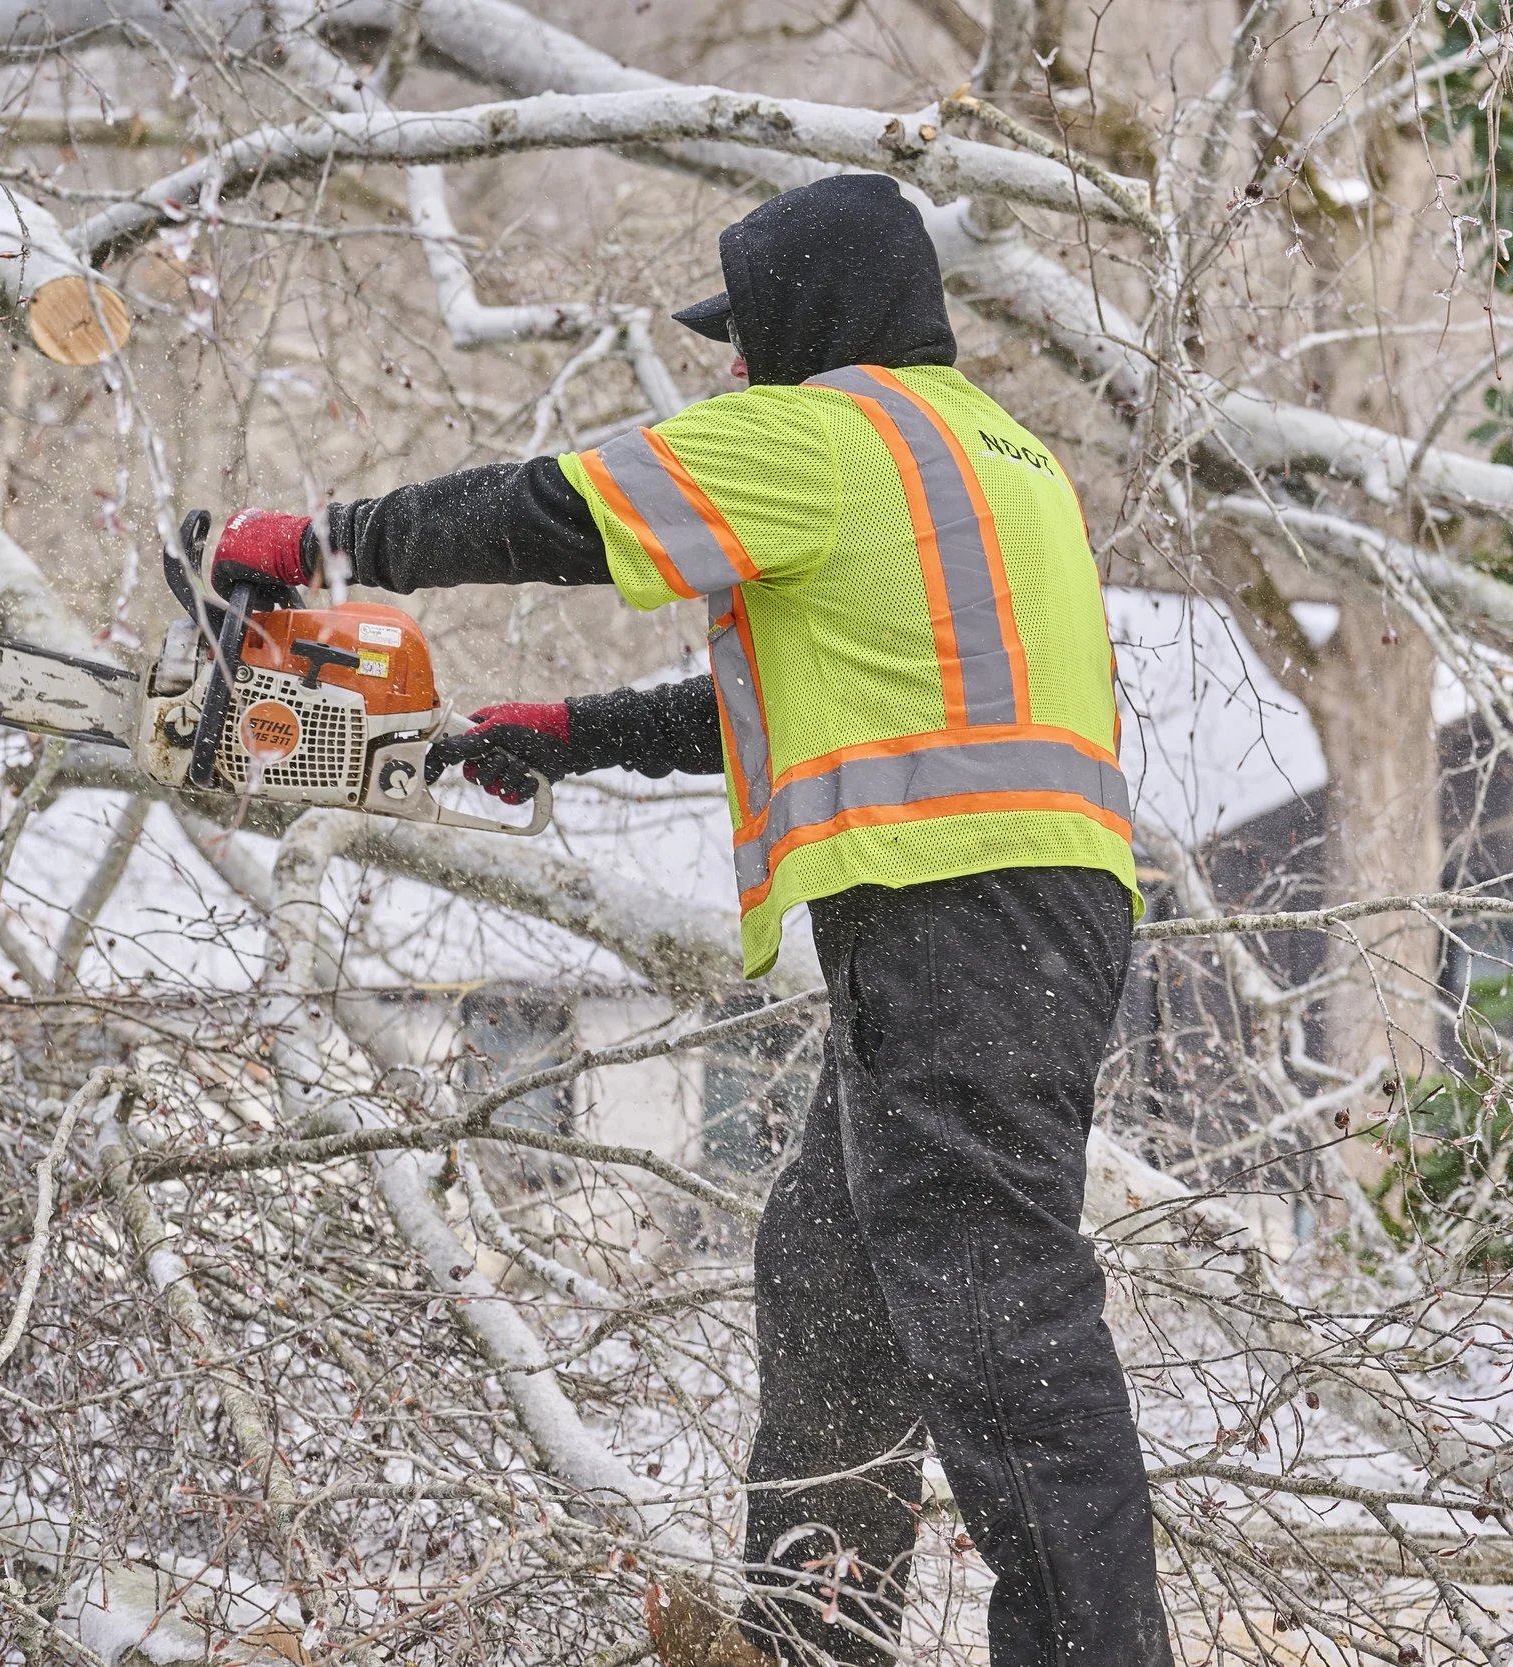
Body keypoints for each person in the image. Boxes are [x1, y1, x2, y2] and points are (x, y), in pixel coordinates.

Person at [208, 173, 1171, 1667]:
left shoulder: (831, 432)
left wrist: (328, 545)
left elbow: (556, 507)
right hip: (1005, 913)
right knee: (833, 1267)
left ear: (822, 313)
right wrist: (569, 732)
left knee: (999, 1319)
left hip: (955, 911)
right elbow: (815, 700)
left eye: (748, 333)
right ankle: (814, 1633)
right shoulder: (989, 453)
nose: (733, 365)